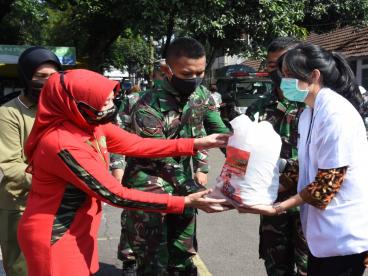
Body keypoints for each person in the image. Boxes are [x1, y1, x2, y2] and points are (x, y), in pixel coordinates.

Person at [16, 69, 228, 276]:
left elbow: (138, 144)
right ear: (76, 104)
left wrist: (198, 143)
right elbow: (115, 194)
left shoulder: (89, 124)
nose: (110, 107)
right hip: (56, 235)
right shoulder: (62, 143)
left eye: (111, 100)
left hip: (79, 227)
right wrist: (185, 202)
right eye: (104, 103)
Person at [239, 43, 368, 276]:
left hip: (347, 232)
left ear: (314, 75)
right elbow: (304, 166)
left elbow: (327, 184)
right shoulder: (309, 112)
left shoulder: (336, 114)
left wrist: (276, 207)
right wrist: (255, 193)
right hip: (325, 233)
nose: (283, 82)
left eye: (288, 76)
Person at [118, 37, 230, 275]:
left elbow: (219, 132)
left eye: (200, 72)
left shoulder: (201, 95)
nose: (196, 79)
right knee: (153, 261)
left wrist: (242, 160)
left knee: (183, 254)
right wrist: (194, 191)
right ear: (167, 70)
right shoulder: (147, 106)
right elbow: (161, 158)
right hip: (148, 190)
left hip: (184, 186)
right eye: (188, 73)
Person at [245, 37, 309, 276]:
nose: (278, 72)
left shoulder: (317, 105)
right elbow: (239, 152)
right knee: (276, 267)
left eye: (282, 64)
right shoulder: (259, 108)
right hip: (272, 205)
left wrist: (291, 175)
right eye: (272, 66)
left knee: (309, 268)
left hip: (310, 206)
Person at [0, 46, 62, 276]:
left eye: (53, 76)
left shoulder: (61, 110)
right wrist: (53, 184)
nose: (47, 82)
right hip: (20, 205)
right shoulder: (9, 113)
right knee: (22, 269)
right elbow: (10, 165)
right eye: (40, 76)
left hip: (58, 205)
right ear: (26, 77)